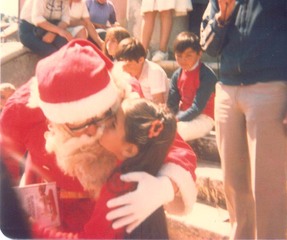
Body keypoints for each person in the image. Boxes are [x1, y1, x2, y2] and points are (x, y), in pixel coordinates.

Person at [0, 39, 197, 235]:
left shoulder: (127, 94)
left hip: (119, 211)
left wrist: (164, 188)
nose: (94, 131)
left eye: (105, 117)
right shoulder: (21, 111)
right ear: (55, 121)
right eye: (80, 124)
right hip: (58, 219)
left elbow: (175, 147)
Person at [200, 0, 287, 239]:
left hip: (269, 88)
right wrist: (222, 18)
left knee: (268, 185)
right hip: (228, 91)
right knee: (233, 184)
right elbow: (207, 45)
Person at [33, 98, 176, 239]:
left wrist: (34, 230)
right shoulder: (144, 173)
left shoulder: (119, 186)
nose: (102, 126)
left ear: (129, 150)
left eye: (112, 124)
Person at [167, 31, 216, 141]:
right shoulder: (177, 75)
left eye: (188, 56)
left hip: (203, 118)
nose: (183, 60)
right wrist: (169, 118)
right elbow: (172, 104)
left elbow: (197, 107)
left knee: (176, 131)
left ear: (199, 54)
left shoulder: (207, 75)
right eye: (179, 56)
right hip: (182, 115)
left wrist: (175, 120)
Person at [115, 37, 169, 104]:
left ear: (141, 60)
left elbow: (160, 104)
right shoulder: (128, 73)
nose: (124, 69)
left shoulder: (154, 72)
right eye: (122, 66)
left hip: (153, 110)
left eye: (128, 65)